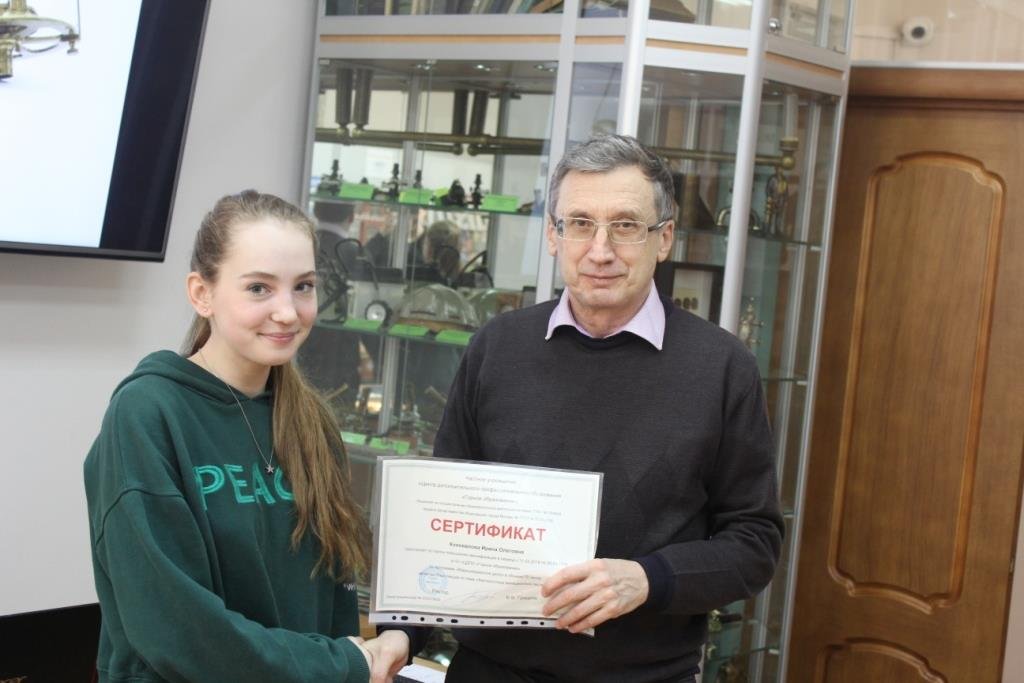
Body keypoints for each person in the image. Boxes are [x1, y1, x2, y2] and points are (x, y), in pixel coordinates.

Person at [377, 135, 784, 682]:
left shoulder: (722, 367)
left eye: (625, 225)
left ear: (663, 238)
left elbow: (754, 543)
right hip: (489, 671)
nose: (600, 250)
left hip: (644, 677)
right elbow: (441, 519)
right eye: (580, 223)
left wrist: (647, 579)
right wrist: (403, 632)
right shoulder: (497, 347)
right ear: (553, 234)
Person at [83, 190, 409, 682]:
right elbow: (176, 631)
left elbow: (335, 603)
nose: (288, 312)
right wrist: (341, 665)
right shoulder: (147, 414)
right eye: (259, 288)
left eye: (303, 286)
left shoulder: (313, 424)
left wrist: (363, 658)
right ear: (202, 293)